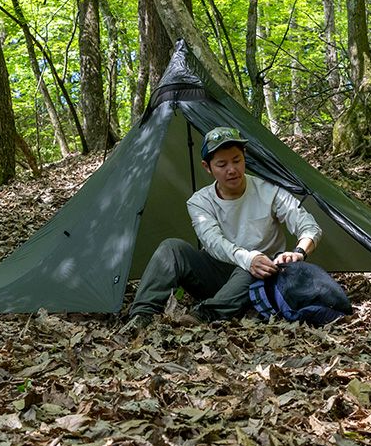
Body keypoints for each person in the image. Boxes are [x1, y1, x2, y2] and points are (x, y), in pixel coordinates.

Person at [121, 126, 322, 331]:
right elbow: (213, 242)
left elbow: (309, 226)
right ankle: (142, 315)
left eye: (237, 160)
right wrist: (247, 258)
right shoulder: (199, 202)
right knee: (171, 248)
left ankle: (205, 314)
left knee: (252, 269)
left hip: (260, 274)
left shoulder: (269, 190)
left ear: (244, 158)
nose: (231, 170)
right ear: (207, 167)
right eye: (222, 164)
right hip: (217, 271)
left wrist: (299, 252)